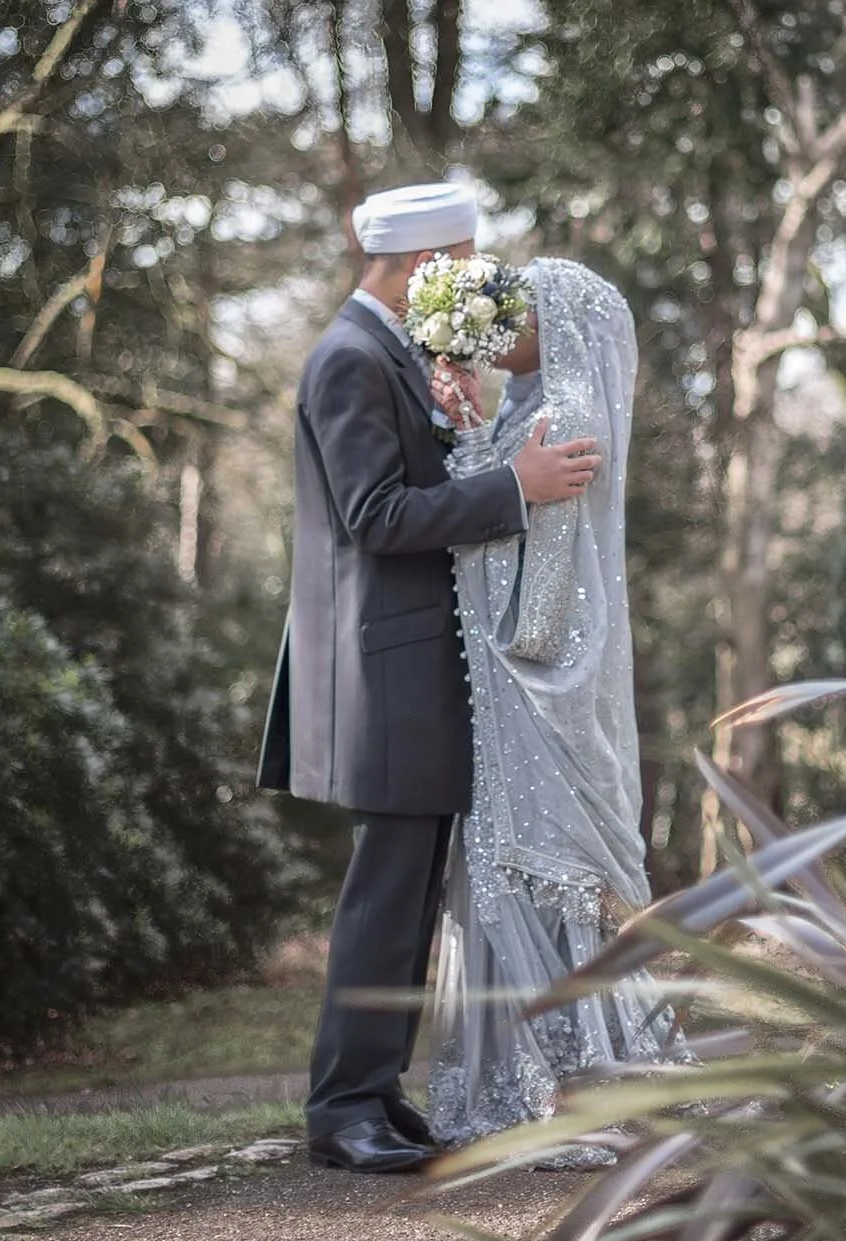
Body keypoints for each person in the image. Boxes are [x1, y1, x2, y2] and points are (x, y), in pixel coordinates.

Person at [255, 184, 603, 1176]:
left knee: (409, 894)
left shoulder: (396, 355)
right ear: (421, 266)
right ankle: (342, 1107)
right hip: (380, 668)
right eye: (465, 260)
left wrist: (469, 431)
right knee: (385, 891)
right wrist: (514, 489)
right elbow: (374, 515)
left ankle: (375, 1090)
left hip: (411, 667)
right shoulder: (349, 358)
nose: (476, 279)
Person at [421, 258, 679, 1164]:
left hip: (536, 686)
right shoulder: (530, 411)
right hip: (531, 686)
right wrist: (474, 435)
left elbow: (533, 606)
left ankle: (566, 1083)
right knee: (531, 872)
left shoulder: (563, 419)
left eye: (518, 312)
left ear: (564, 327)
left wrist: (473, 461)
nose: (501, 326)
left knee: (544, 869)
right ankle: (557, 1075)